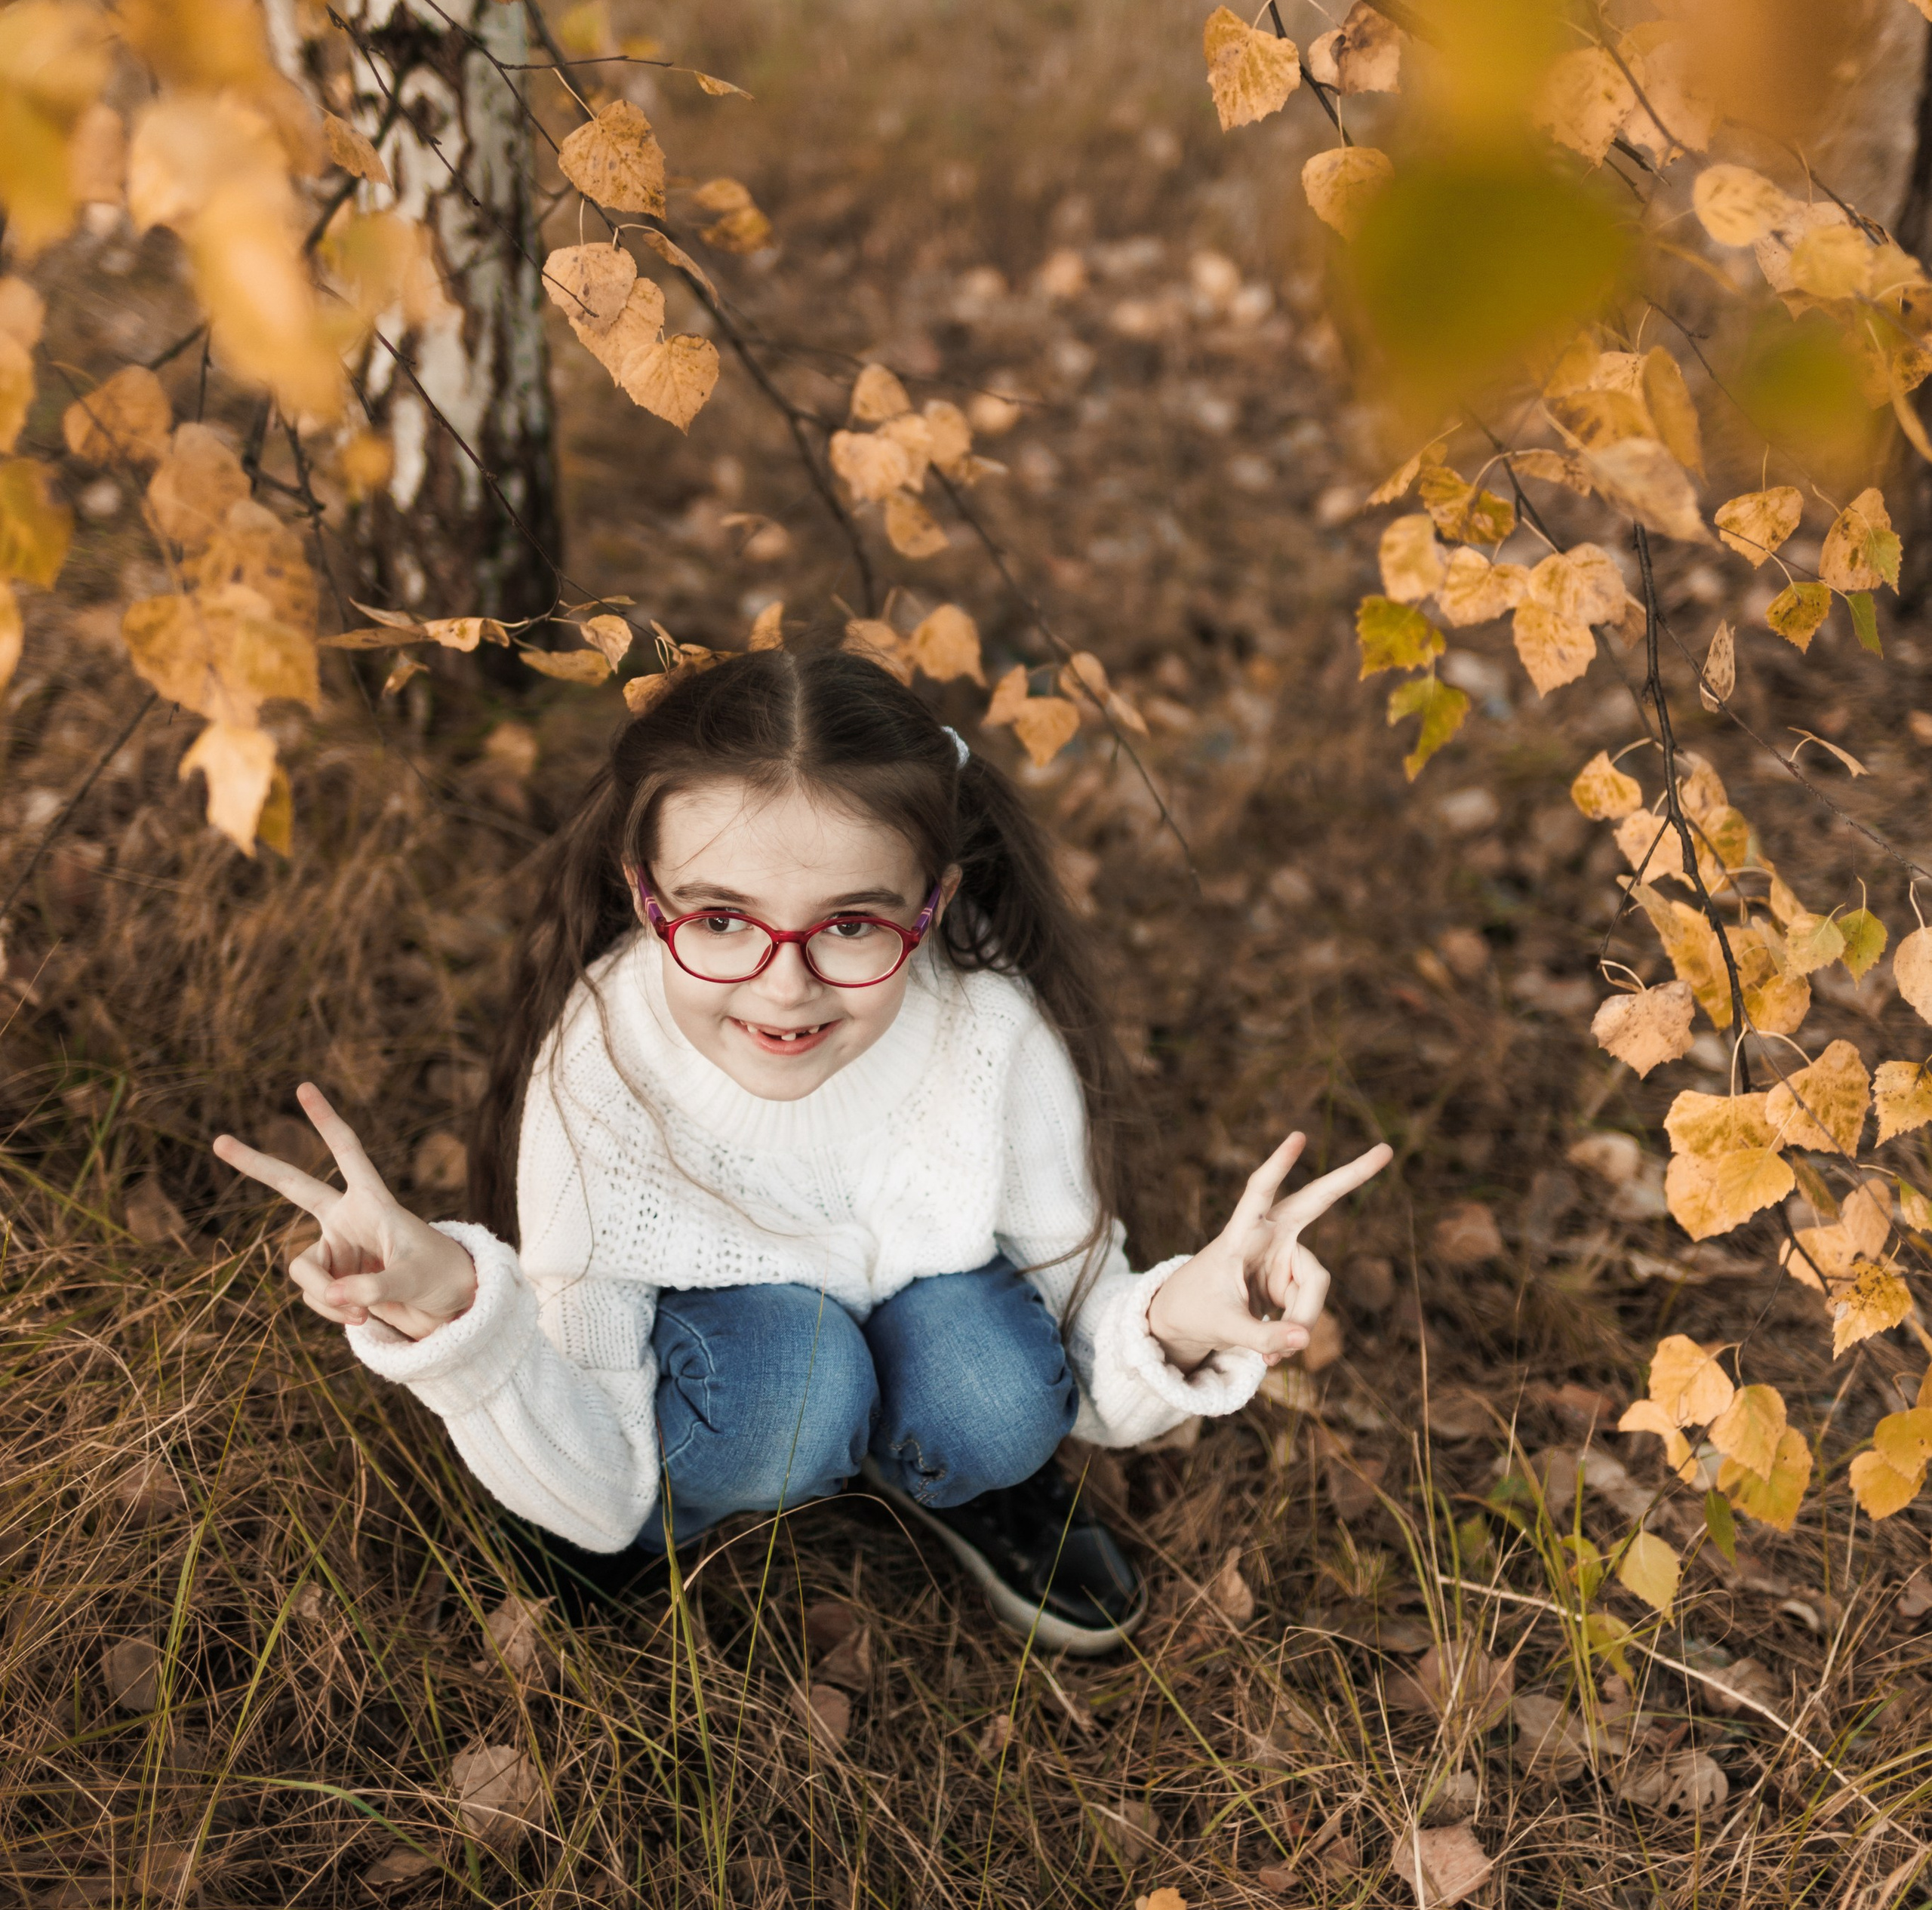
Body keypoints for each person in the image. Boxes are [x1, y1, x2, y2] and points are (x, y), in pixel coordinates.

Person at [214, 647, 1389, 1654]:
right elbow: (592, 1439)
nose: (785, 984)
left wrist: (1182, 1310)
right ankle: (703, 1501)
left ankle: (948, 1474)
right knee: (793, 1390)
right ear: (646, 895)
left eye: (851, 923)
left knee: (996, 1394)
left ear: (931, 904)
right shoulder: (602, 1061)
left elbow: (1081, 1323)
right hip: (747, 1351)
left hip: (928, 1305)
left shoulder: (991, 1036)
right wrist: (466, 1315)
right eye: (721, 918)